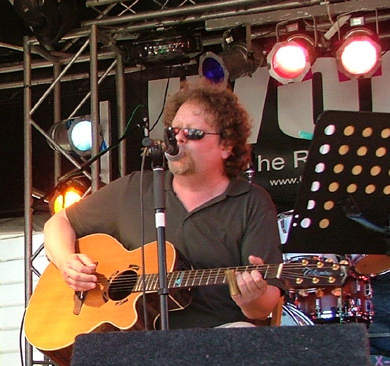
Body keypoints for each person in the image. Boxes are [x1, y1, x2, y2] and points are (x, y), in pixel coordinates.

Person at [43, 80, 285, 329]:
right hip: (135, 339)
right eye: (173, 131)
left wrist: (252, 298)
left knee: (242, 330)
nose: (177, 140)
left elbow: (264, 306)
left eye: (192, 133)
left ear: (226, 145)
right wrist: (66, 262)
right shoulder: (133, 189)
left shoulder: (250, 202)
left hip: (217, 337)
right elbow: (58, 223)